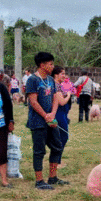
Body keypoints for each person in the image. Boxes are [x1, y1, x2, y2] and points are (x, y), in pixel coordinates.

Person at [25, 52, 66, 190]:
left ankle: (53, 177)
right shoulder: (32, 80)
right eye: (50, 64)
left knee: (57, 146)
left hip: (50, 120)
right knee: (39, 151)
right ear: (42, 65)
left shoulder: (50, 80)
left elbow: (55, 98)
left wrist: (53, 114)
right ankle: (39, 181)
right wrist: (45, 115)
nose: (52, 66)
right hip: (38, 121)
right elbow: (33, 101)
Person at [51, 66, 73, 149]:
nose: (64, 76)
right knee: (62, 138)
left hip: (62, 113)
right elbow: (62, 102)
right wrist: (68, 95)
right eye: (62, 74)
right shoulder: (56, 86)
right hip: (59, 114)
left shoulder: (57, 85)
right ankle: (56, 160)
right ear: (56, 75)